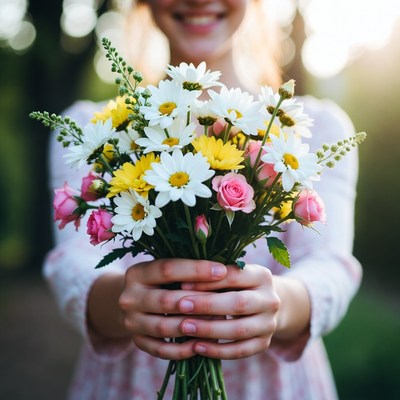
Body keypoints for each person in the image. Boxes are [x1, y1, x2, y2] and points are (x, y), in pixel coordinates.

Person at [44, 1, 362, 399]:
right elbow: (71, 262)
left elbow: (330, 264)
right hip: (128, 384)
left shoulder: (315, 132)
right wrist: (121, 301)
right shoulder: (97, 131)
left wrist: (279, 305)